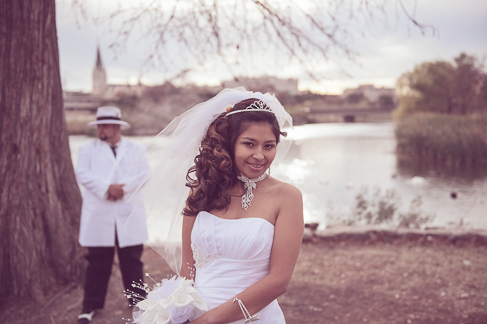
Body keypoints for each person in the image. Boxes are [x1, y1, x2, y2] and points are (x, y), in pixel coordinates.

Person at [131, 88, 303, 324]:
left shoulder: (287, 197)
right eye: (249, 144)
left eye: (268, 146)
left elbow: (279, 281)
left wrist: (211, 320)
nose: (260, 156)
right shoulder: (202, 190)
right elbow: (188, 267)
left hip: (254, 317)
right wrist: (179, 312)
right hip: (196, 315)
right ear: (229, 143)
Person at [76, 106, 150, 324]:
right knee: (97, 262)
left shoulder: (137, 149)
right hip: (99, 213)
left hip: (128, 211)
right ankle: (89, 306)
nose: (101, 129)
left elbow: (145, 174)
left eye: (106, 125)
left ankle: (138, 301)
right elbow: (82, 173)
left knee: (132, 260)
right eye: (99, 125)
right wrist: (107, 188)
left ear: (117, 127)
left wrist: (123, 189)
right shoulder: (86, 149)